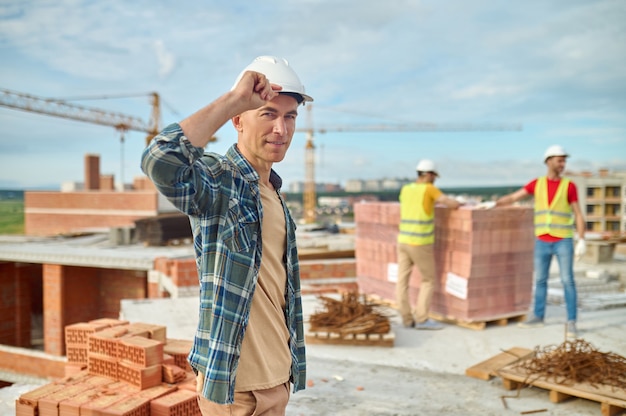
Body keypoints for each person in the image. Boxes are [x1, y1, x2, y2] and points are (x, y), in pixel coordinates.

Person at [141, 56, 313, 415]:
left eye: (290, 116)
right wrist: (234, 99)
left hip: (278, 380)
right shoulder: (222, 181)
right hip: (235, 389)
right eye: (268, 114)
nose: (281, 129)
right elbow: (161, 159)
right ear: (239, 120)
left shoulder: (275, 193)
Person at [495, 144, 586, 338]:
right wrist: (493, 203)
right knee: (540, 280)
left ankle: (571, 322)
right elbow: (513, 197)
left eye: (564, 161)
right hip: (542, 241)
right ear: (549, 161)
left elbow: (578, 214)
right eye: (560, 160)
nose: (563, 164)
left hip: (563, 241)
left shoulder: (568, 186)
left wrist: (582, 239)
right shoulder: (537, 184)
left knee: (568, 281)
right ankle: (538, 317)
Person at [396, 159, 461, 330]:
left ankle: (406, 319)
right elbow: (449, 203)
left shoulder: (406, 189)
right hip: (420, 243)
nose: (435, 180)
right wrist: (458, 203)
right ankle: (422, 319)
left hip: (403, 241)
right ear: (429, 174)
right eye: (434, 176)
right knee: (428, 280)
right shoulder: (429, 189)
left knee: (402, 280)